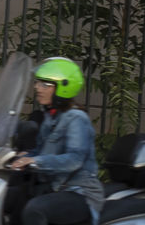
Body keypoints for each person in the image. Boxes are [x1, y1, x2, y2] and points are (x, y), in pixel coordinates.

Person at [9, 57, 102, 225]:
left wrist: (35, 160)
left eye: (45, 84)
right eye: (37, 83)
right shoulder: (50, 116)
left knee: (35, 209)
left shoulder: (76, 118)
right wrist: (22, 156)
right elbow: (41, 151)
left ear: (64, 87)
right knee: (5, 197)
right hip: (51, 188)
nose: (37, 88)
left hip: (77, 192)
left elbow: (74, 159)